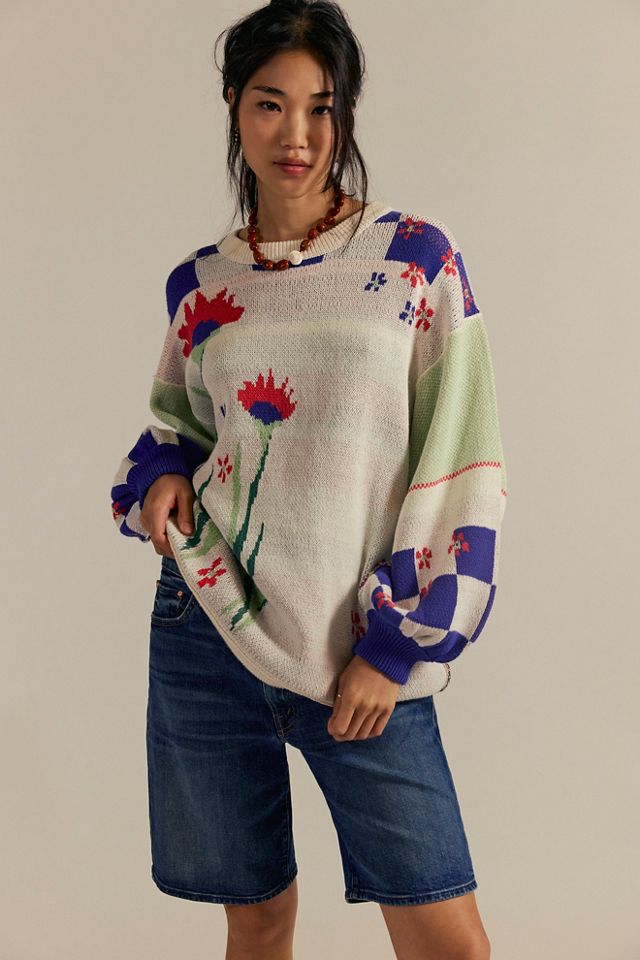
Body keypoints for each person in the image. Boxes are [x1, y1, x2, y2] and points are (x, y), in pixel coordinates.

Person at [109, 1, 507, 956]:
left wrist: (397, 647)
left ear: (346, 114)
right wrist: (161, 475)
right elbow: (178, 425)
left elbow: (464, 461)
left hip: (358, 646)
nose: (297, 135)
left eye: (321, 108)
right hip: (208, 628)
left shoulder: (414, 259)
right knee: (258, 921)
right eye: (271, 104)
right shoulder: (202, 283)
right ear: (234, 107)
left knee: (448, 939)